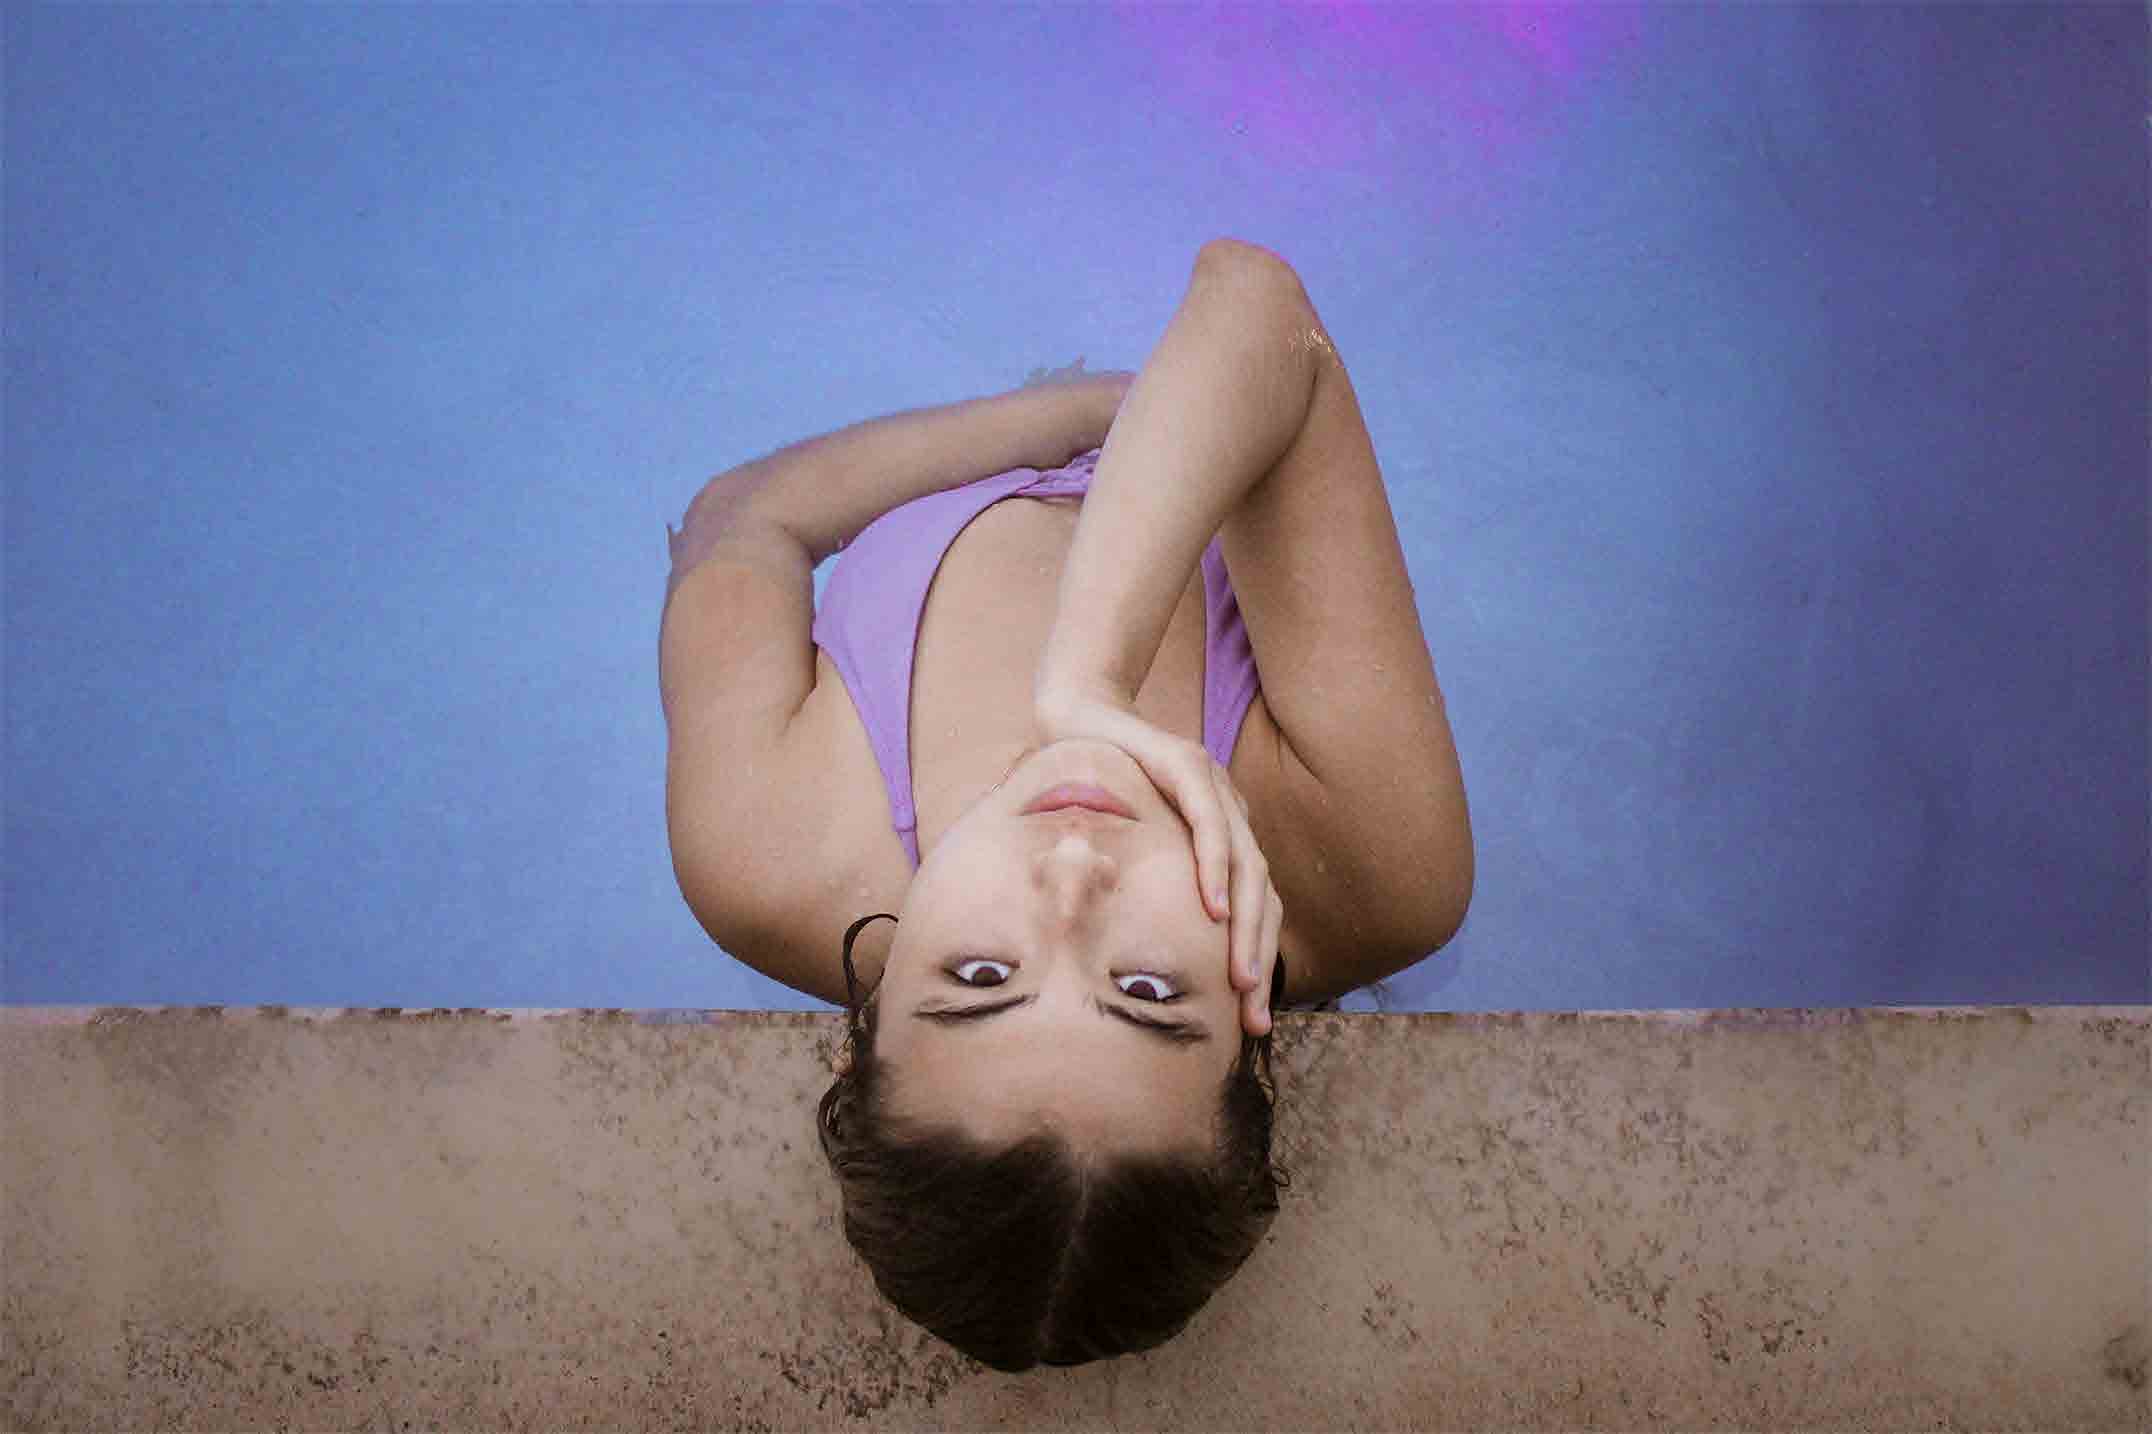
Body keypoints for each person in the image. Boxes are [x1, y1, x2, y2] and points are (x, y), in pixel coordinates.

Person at [658, 239, 1473, 1370]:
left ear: (860, 1037)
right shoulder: (1372, 869)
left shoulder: (769, 851)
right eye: (1146, 990)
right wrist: (1090, 671)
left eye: (979, 975)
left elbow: (744, 518)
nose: (1074, 876)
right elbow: (1254, 304)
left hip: (1033, 426)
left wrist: (1076, 417)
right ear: (1256, 1056)